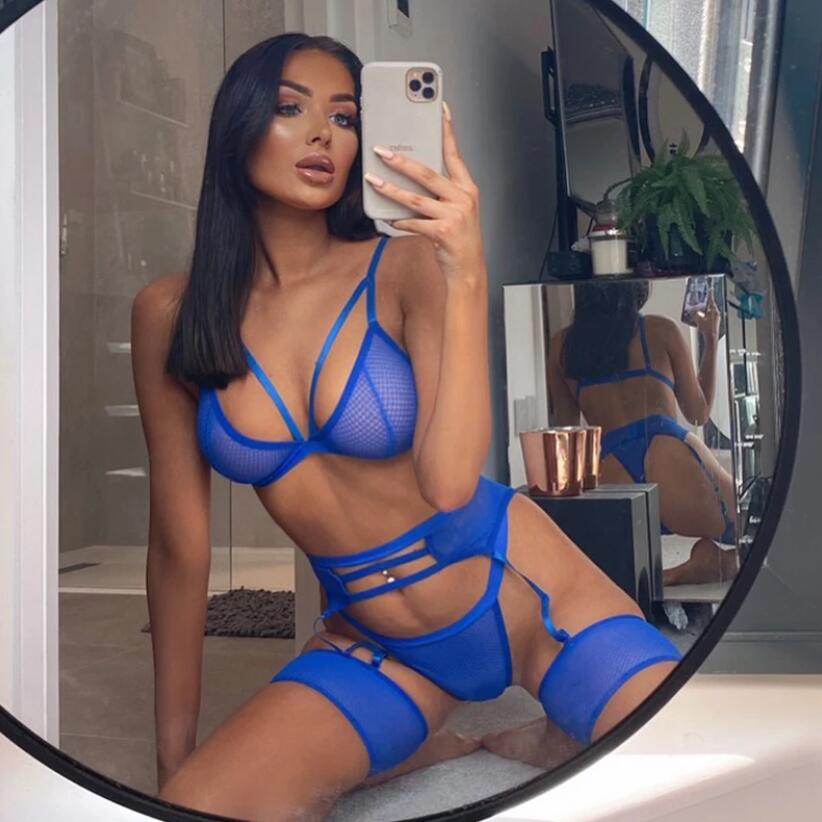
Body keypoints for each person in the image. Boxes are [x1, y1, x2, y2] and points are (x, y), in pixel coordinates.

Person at [131, 33, 681, 822]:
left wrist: (466, 268)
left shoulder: (404, 265)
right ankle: (435, 741)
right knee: (198, 807)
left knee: (686, 774)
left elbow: (451, 483)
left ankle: (547, 734)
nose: (323, 135)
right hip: (374, 642)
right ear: (238, 123)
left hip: (522, 593)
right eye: (290, 108)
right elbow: (178, 551)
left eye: (345, 117)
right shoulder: (172, 314)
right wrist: (172, 765)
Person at [547, 281, 740, 587]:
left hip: (611, 470)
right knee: (761, 524)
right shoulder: (660, 330)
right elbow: (698, 413)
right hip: (666, 452)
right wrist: (710, 337)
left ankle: (689, 567)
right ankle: (716, 563)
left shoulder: (561, 346)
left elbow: (566, 431)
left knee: (619, 561)